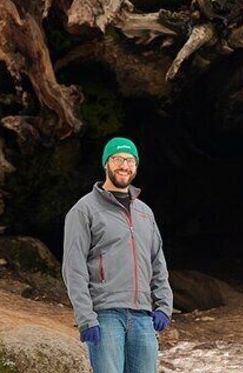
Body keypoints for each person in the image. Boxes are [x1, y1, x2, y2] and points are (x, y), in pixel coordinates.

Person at [62, 137, 174, 373]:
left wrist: (164, 305)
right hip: (105, 317)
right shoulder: (84, 210)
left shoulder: (145, 213)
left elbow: (157, 262)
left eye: (130, 160)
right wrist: (86, 318)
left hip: (143, 317)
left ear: (136, 166)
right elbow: (74, 268)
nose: (124, 165)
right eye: (117, 159)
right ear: (106, 164)